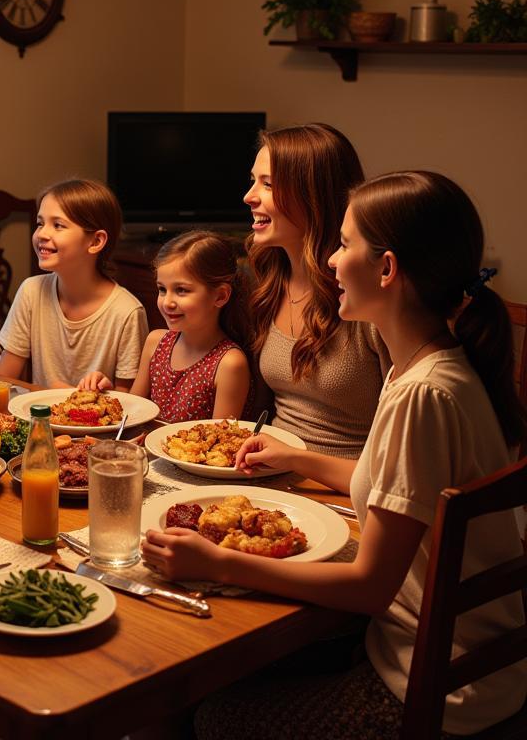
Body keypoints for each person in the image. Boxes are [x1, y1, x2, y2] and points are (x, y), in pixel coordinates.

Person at [143, 171, 527, 739]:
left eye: (344, 246)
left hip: (426, 686)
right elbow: (397, 488)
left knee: (207, 712)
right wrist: (297, 460)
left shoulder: (423, 394)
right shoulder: (422, 367)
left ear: (388, 269)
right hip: (420, 650)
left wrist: (217, 562)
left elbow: (370, 584)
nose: (329, 262)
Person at [242, 123, 389, 458]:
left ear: (313, 196)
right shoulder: (268, 281)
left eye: (267, 184)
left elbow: (397, 457)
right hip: (273, 478)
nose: (249, 196)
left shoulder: (368, 300)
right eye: (253, 181)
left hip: (346, 490)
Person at [77, 231, 252, 421]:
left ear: (220, 296)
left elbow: (222, 441)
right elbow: (132, 415)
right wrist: (107, 395)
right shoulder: (156, 342)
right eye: (162, 289)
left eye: (181, 290)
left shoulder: (230, 363)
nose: (167, 302)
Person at [0, 178, 148, 389]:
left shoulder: (127, 313)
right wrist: (54, 395)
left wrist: (102, 394)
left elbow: (129, 404)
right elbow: (1, 379)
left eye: (58, 225)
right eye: (40, 223)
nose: (42, 234)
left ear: (95, 242)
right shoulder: (32, 291)